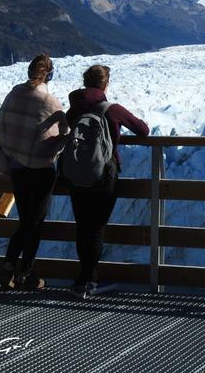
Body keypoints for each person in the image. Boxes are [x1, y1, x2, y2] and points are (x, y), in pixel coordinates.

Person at [65, 64, 149, 298]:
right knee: (96, 228)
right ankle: (89, 282)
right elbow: (143, 130)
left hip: (75, 175)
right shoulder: (112, 109)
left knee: (83, 226)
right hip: (103, 175)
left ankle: (83, 279)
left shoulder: (74, 108)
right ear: (105, 84)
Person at [0, 53, 68, 290]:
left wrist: (15, 147)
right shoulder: (50, 101)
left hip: (18, 168)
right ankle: (26, 273)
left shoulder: (15, 92)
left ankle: (9, 268)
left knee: (26, 220)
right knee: (34, 222)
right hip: (42, 171)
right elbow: (64, 133)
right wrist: (51, 150)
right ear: (50, 75)